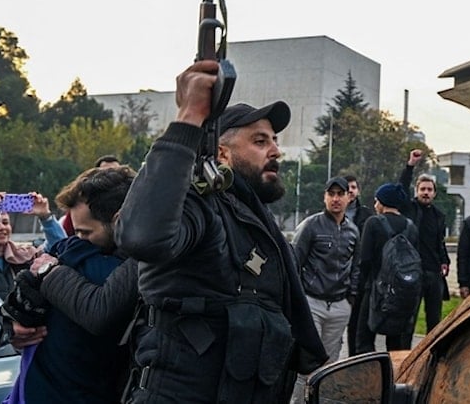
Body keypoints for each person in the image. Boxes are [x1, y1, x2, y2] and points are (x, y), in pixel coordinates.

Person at [114, 60, 327, 403]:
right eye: (259, 141)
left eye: (274, 140)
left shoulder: (256, 219)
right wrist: (189, 118)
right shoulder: (203, 205)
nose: (275, 150)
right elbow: (143, 235)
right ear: (222, 153)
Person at [2, 166, 137, 403]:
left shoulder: (69, 256)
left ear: (118, 221)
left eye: (86, 232)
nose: (79, 239)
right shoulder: (68, 254)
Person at [291, 176, 359, 366]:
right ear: (325, 197)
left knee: (330, 363)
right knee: (306, 359)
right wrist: (298, 299)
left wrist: (351, 298)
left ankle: (321, 397)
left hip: (340, 305)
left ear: (348, 197)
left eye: (340, 194)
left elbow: (356, 267)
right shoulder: (310, 225)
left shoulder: (353, 231)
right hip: (311, 302)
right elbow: (294, 261)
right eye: (331, 194)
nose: (335, 199)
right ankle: (299, 397)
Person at [354, 182, 416, 353]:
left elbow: (364, 260)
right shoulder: (411, 227)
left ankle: (369, 377)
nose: (375, 205)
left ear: (382, 202)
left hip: (375, 290)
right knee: (396, 344)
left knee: (364, 339)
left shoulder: (373, 223)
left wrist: (359, 288)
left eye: (376, 201)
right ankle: (393, 376)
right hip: (401, 293)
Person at [399, 149, 450, 333]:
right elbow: (401, 188)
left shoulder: (439, 216)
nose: (426, 193)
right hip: (412, 271)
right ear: (417, 191)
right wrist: (410, 165)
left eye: (429, 190)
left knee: (434, 319)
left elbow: (440, 241)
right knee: (409, 318)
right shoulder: (409, 208)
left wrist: (445, 260)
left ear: (434, 193)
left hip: (433, 272)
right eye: (423, 189)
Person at [342, 174, 375, 356]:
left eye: (353, 187)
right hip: (336, 276)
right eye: (347, 188)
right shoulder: (331, 214)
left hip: (360, 277)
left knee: (356, 324)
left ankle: (353, 359)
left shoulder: (367, 215)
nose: (351, 191)